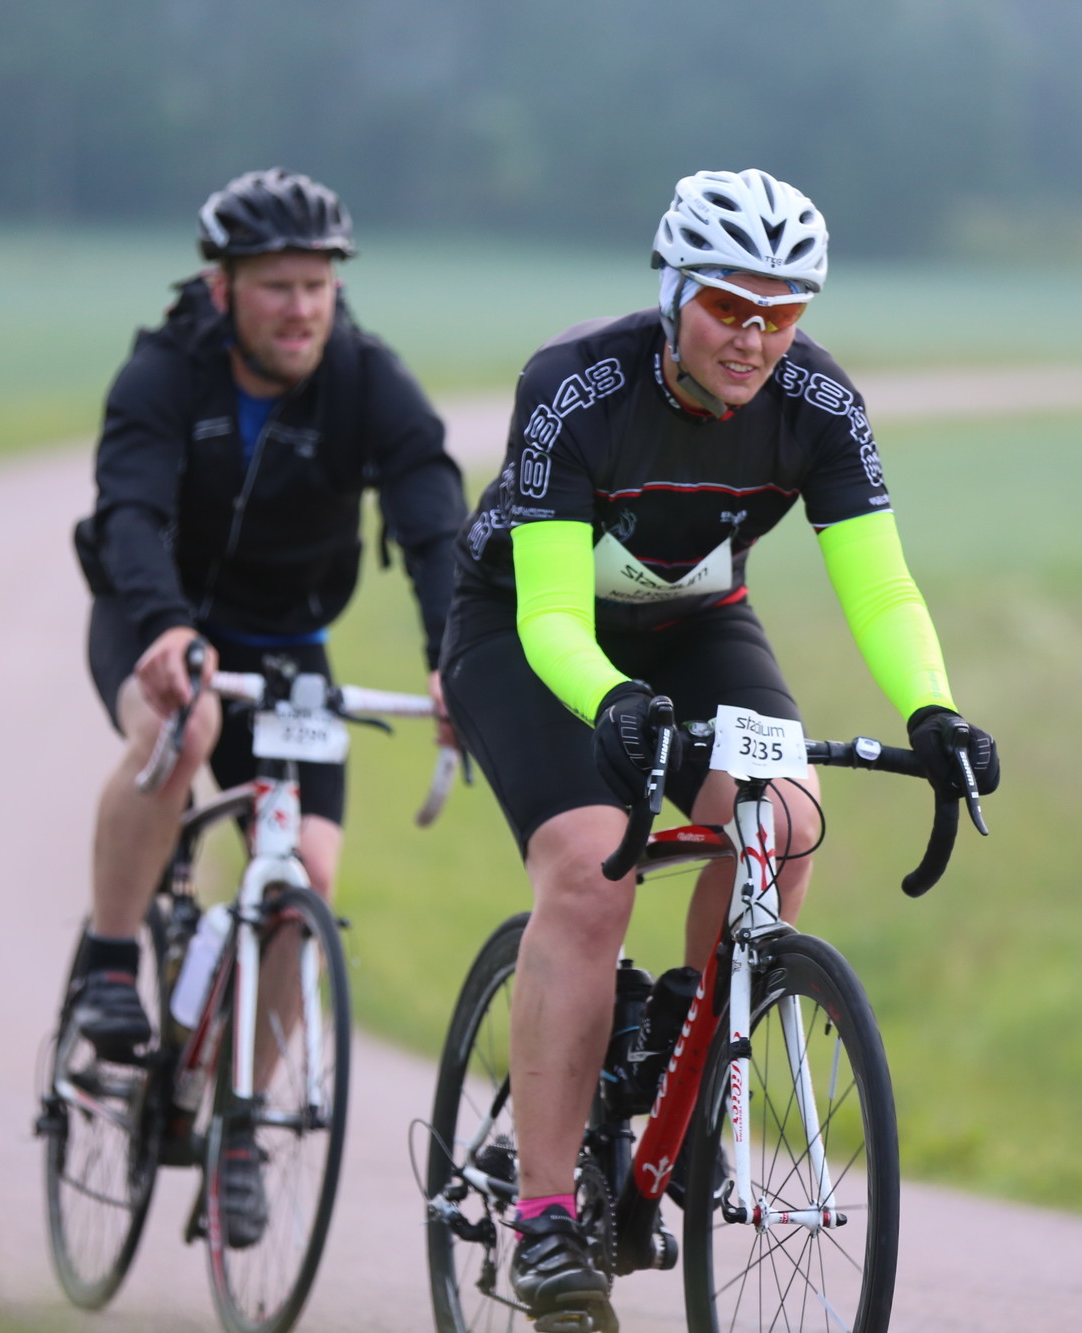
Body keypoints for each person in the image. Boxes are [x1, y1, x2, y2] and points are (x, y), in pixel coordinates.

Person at [439, 168, 1000, 1325]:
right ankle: (542, 1214)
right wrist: (611, 701)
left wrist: (932, 709)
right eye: (729, 307)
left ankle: (689, 1043)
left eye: (780, 312)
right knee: (590, 874)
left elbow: (880, 586)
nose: (753, 337)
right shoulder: (576, 388)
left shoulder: (818, 403)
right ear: (674, 293)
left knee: (782, 818)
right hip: (528, 634)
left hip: (694, 626)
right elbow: (551, 614)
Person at [68, 169, 465, 1241]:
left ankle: (239, 1122)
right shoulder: (164, 372)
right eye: (277, 286)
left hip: (285, 639)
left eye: (317, 286)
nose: (300, 309)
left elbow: (431, 513)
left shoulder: (365, 378)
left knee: (309, 875)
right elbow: (129, 511)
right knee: (181, 724)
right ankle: (112, 959)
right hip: (155, 615)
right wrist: (163, 625)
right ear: (223, 287)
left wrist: (452, 655)